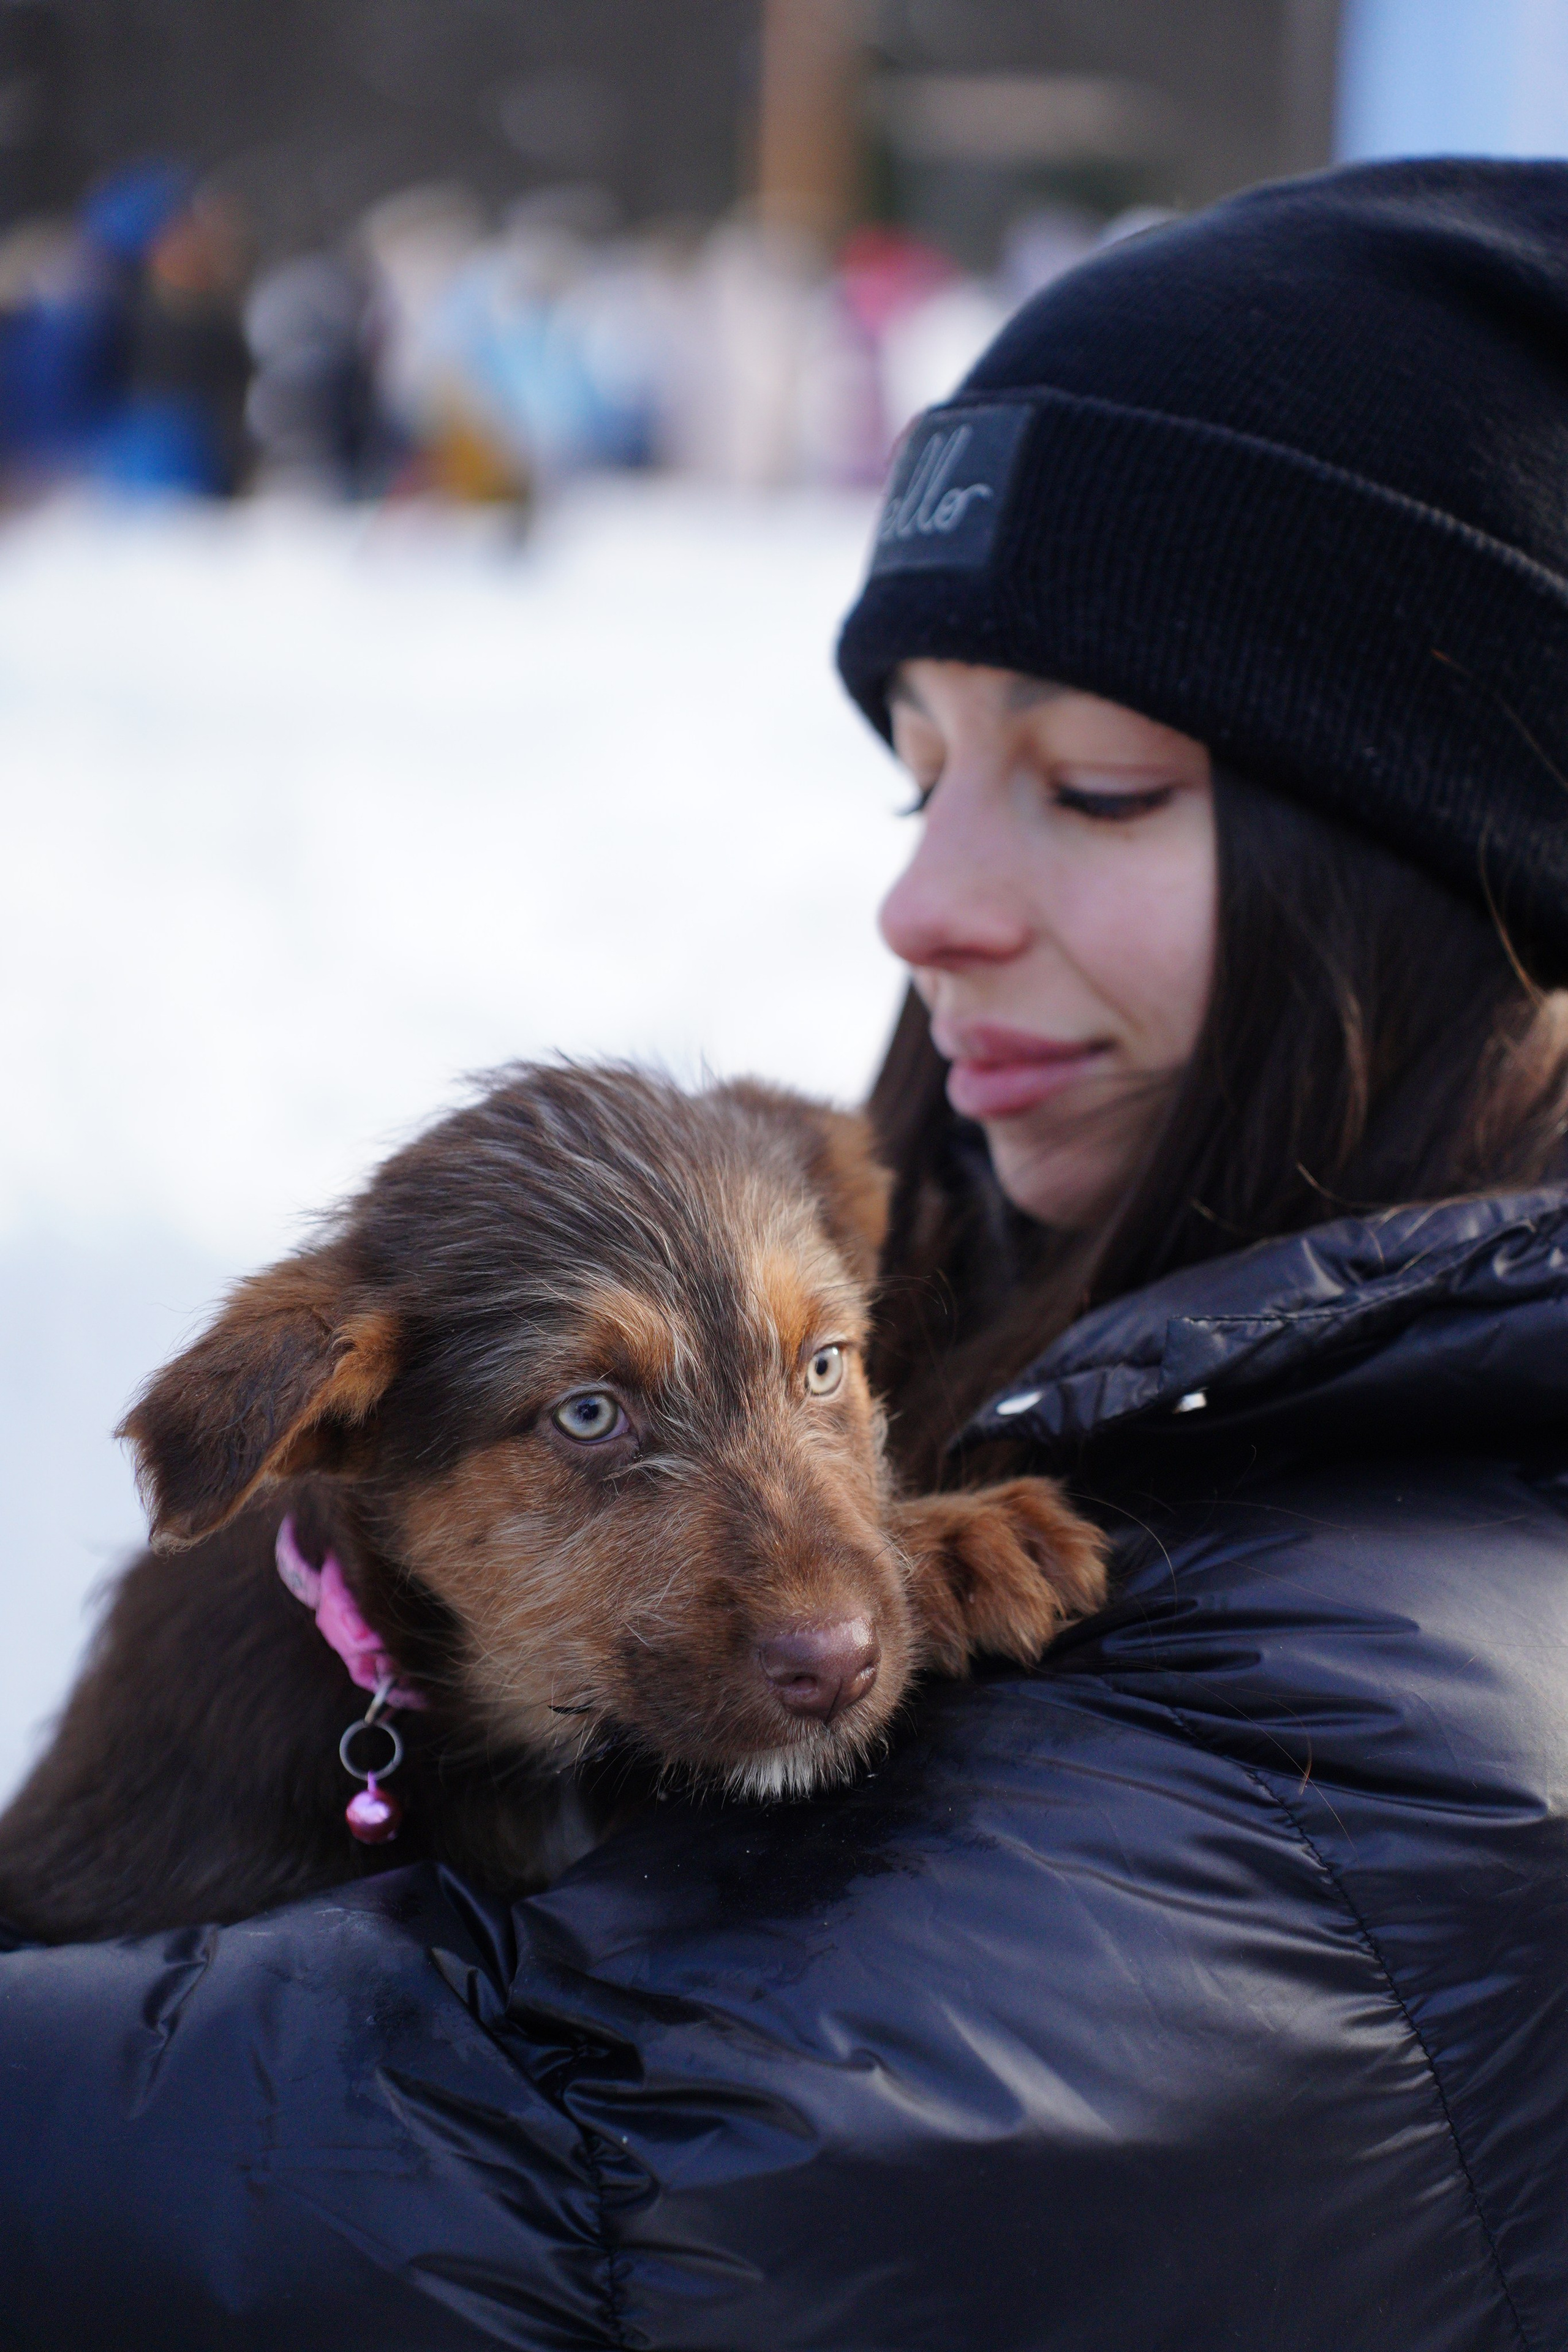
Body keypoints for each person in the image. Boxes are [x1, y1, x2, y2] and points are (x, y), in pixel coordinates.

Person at [4, 156, 1568, 2347]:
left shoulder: (1396, 1688)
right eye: (914, 777)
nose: (919, 909)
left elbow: (553, 2170)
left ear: (1473, 883)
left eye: (1097, 781)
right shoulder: (1161, 1336)